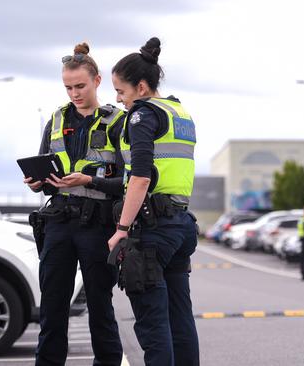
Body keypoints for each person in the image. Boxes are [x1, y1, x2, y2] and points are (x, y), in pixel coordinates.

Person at [23, 42, 125, 366]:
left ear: (97, 80)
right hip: (58, 222)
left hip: (97, 226)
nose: (74, 93)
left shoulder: (118, 122)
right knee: (52, 309)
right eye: (68, 87)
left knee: (100, 308)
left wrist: (90, 181)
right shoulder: (55, 119)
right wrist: (38, 181)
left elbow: (128, 182)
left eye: (79, 85)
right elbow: (43, 167)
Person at [107, 37, 200, 366]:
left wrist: (121, 228)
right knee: (180, 319)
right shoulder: (179, 112)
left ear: (141, 87)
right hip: (181, 224)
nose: (118, 99)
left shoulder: (142, 115)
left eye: (121, 91)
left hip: (153, 229)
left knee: (153, 324)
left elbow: (142, 177)